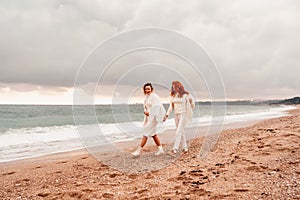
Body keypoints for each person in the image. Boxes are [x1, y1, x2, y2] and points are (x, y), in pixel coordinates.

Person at [132, 83, 166, 156]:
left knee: (145, 133)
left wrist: (150, 113)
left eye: (148, 89)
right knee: (153, 134)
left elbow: (157, 107)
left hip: (153, 118)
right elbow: (145, 106)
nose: (147, 90)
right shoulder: (147, 97)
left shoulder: (154, 96)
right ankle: (161, 149)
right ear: (144, 90)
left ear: (151, 89)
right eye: (146, 89)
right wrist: (145, 111)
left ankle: (138, 151)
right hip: (148, 118)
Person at [163, 81, 195, 156]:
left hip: (183, 114)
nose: (174, 88)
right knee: (181, 131)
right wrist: (166, 115)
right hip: (176, 115)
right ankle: (185, 148)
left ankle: (174, 150)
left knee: (178, 131)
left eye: (176, 87)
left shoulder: (185, 95)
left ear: (179, 87)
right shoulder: (172, 96)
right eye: (173, 87)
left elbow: (192, 103)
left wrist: (190, 102)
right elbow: (171, 107)